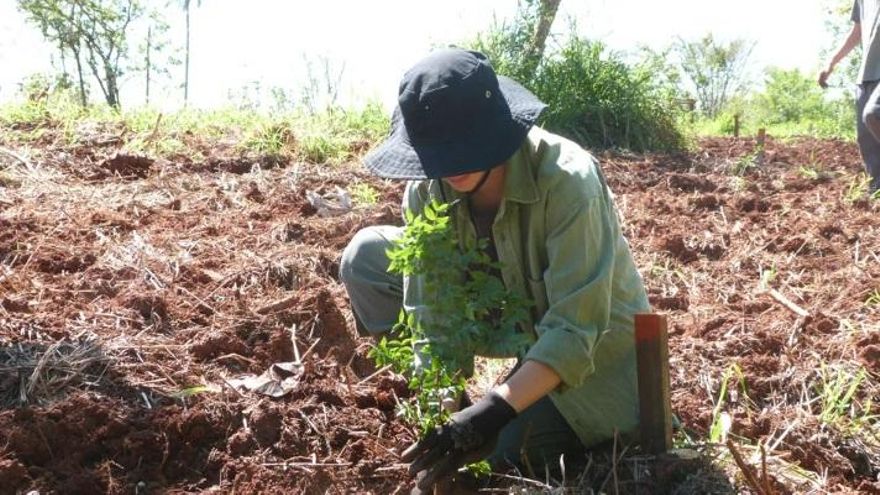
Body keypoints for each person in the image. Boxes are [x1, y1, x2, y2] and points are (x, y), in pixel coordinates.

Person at [339, 48, 650, 491]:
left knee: (501, 457)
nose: (453, 166)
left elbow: (575, 330)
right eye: (440, 154)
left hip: (594, 355)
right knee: (367, 255)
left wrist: (493, 411)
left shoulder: (567, 180)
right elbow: (431, 312)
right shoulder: (428, 190)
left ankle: (512, 412)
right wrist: (451, 413)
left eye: (466, 148)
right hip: (506, 318)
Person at [820, 0, 880, 195]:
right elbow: (857, 31)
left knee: (874, 114)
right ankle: (877, 193)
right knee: (867, 141)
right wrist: (831, 63)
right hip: (867, 74)